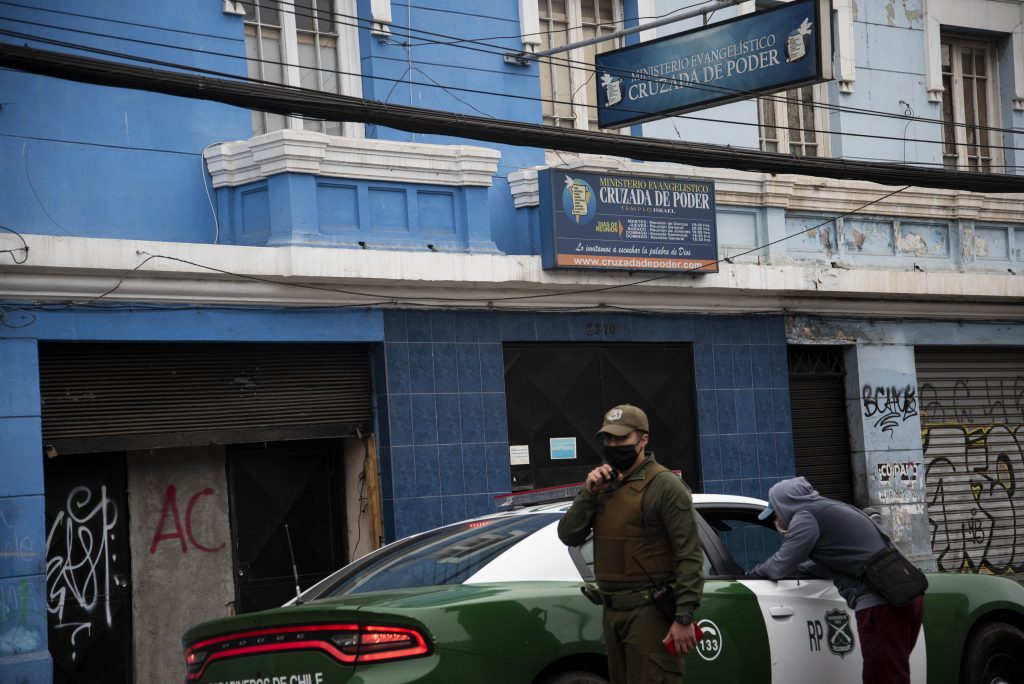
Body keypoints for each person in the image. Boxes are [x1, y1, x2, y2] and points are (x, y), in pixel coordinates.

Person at [557, 404, 704, 683]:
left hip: (649, 613)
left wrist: (684, 616)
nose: (613, 445)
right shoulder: (603, 485)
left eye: (622, 438)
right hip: (612, 613)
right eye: (608, 438)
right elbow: (568, 535)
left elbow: (689, 554)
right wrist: (588, 492)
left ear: (643, 440)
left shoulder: (664, 485)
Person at [748, 476, 925, 684]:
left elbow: (779, 565)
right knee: (891, 675)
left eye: (775, 514)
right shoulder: (832, 509)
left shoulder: (805, 517)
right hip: (905, 596)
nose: (776, 522)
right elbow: (836, 562)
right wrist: (802, 569)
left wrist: (753, 573)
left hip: (880, 606)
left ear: (784, 505)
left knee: (884, 678)